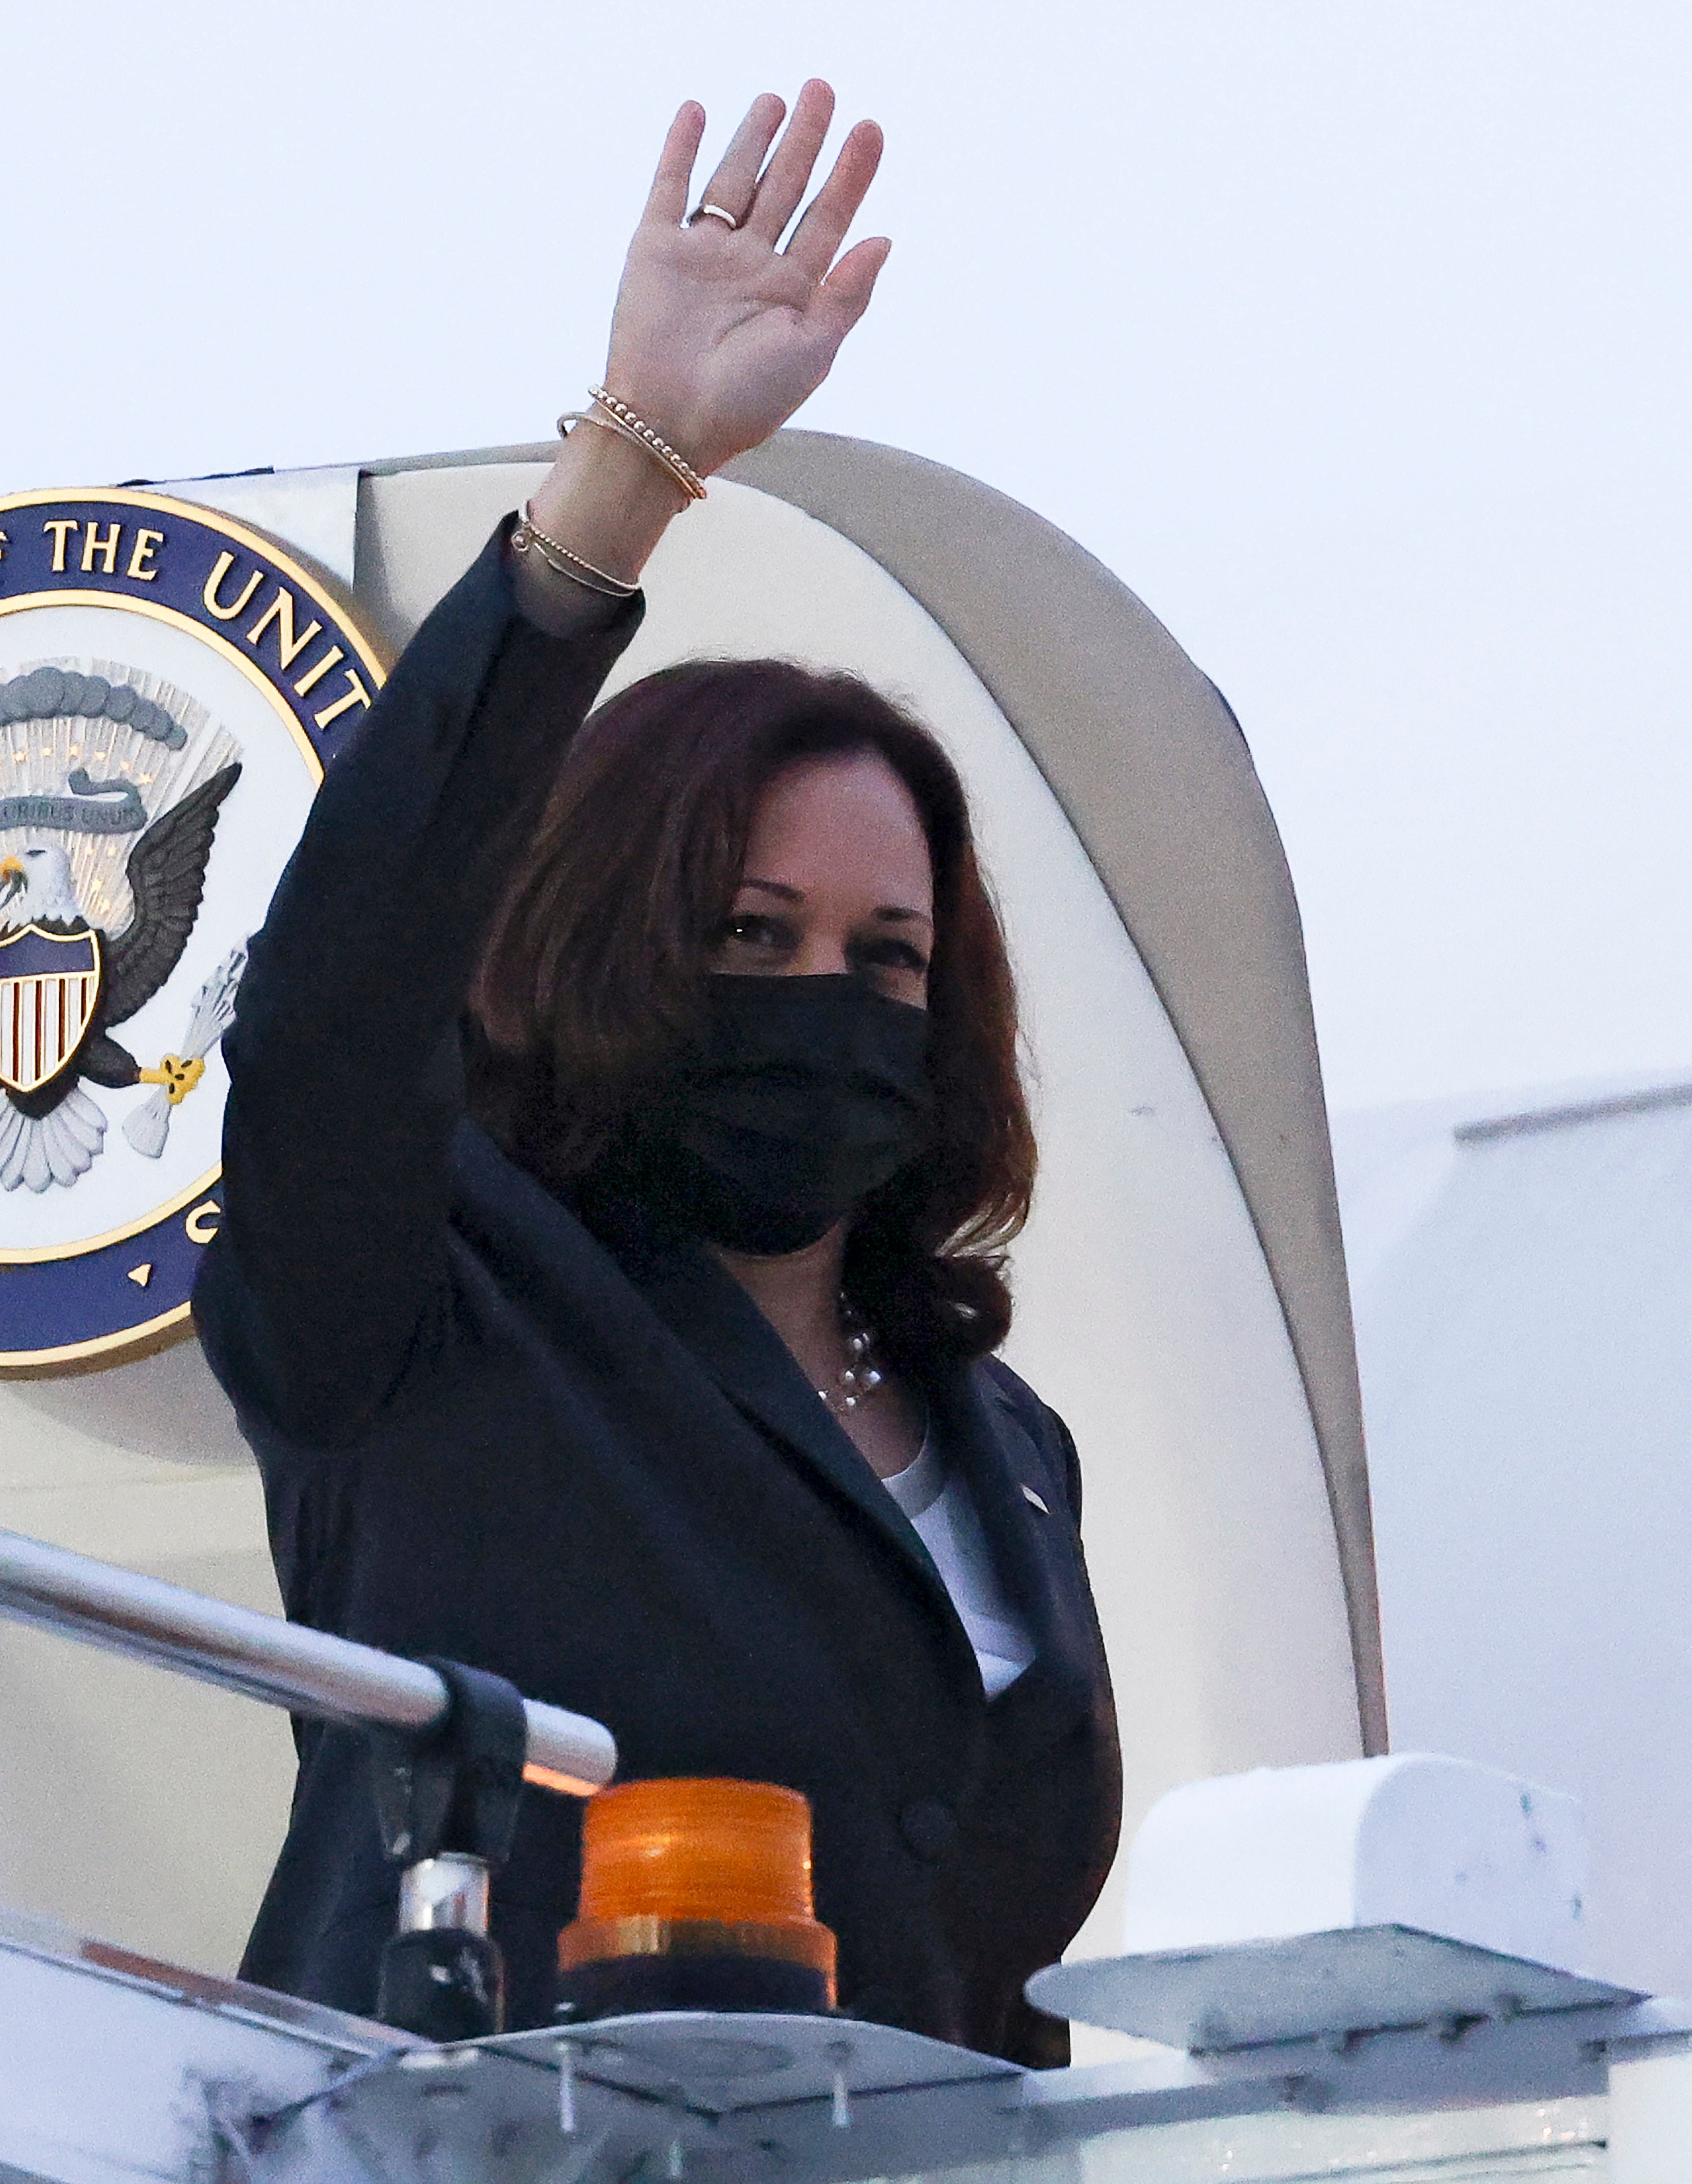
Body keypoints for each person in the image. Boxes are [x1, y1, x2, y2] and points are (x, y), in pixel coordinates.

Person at [192, 82, 1119, 2063]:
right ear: (610, 943)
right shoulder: (423, 1309)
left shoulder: (1004, 1436)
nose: (826, 996)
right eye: (746, 935)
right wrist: (625, 480)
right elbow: (340, 992)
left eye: (889, 957)